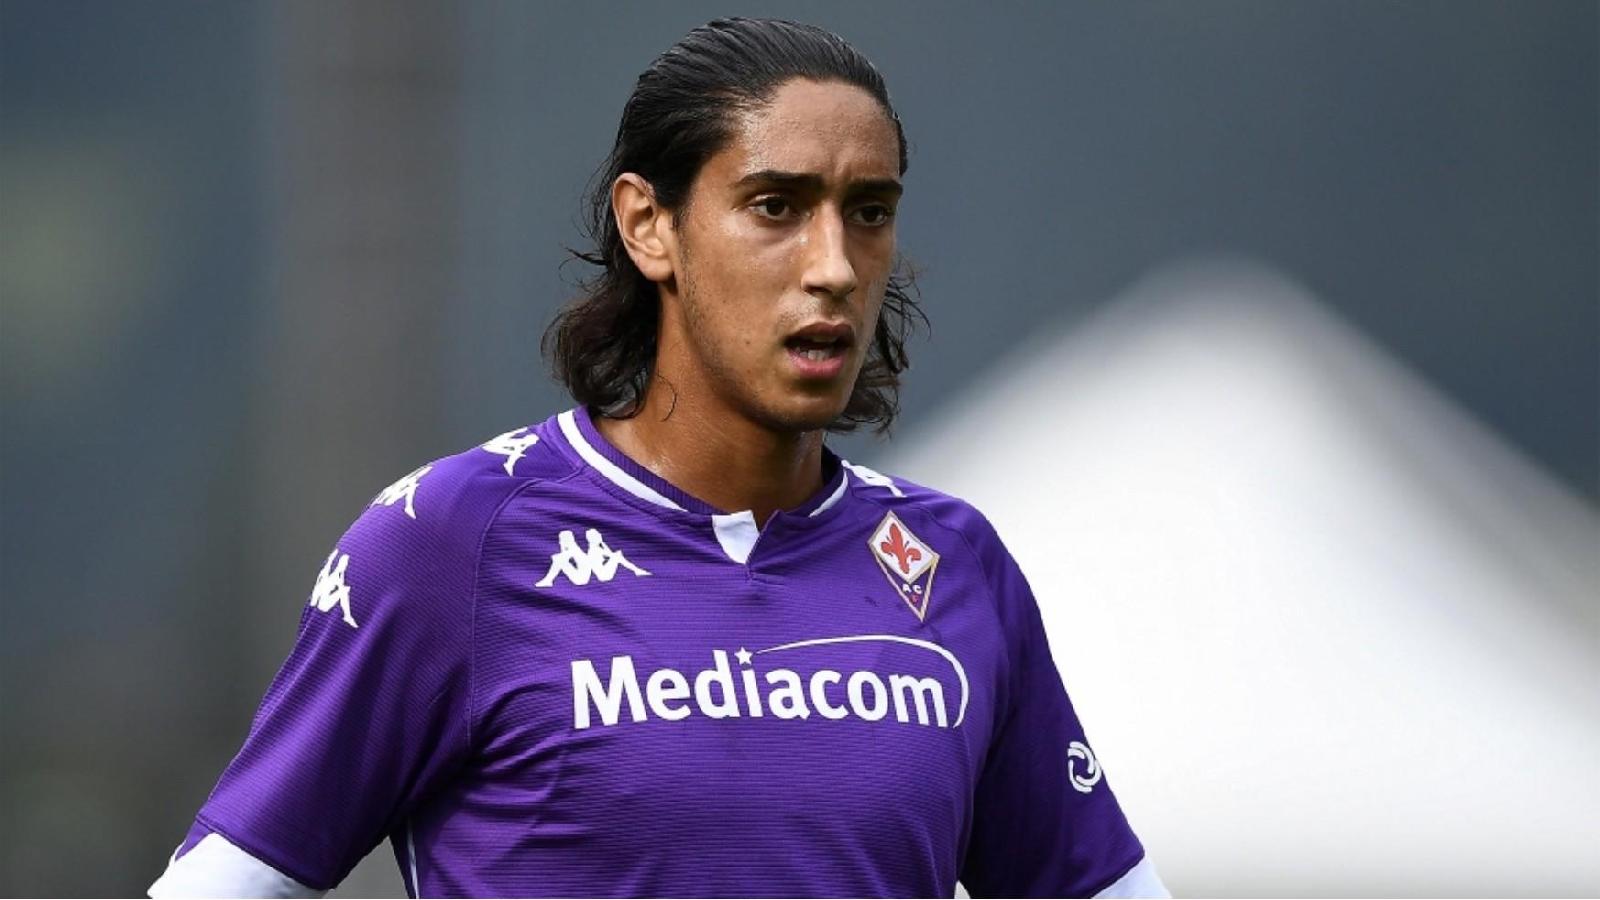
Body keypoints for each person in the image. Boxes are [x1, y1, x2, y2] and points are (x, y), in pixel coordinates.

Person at [149, 17, 1167, 899]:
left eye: (868, 211)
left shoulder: (954, 564)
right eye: (776, 206)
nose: (833, 266)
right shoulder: (452, 541)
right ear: (650, 225)